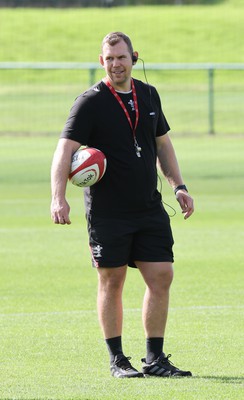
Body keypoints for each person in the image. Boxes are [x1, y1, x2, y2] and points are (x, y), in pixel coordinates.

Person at [50, 32, 194, 378]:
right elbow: (64, 151)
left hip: (148, 207)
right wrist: (58, 198)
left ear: (134, 58)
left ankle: (155, 359)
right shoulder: (90, 101)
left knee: (161, 276)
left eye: (121, 57)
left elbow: (162, 145)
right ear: (102, 62)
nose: (116, 64)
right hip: (109, 212)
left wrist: (179, 186)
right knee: (112, 281)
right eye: (109, 58)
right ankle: (117, 360)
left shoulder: (148, 94)